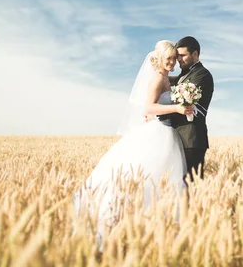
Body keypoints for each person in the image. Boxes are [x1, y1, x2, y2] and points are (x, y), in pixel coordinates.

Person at [73, 40, 193, 247]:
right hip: (158, 132)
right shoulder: (157, 79)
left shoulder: (164, 77)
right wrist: (177, 109)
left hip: (165, 132)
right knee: (151, 175)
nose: (173, 63)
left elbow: (176, 81)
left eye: (174, 58)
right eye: (169, 59)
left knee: (165, 177)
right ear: (158, 60)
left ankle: (158, 224)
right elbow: (148, 108)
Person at [163, 36, 214, 182]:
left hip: (191, 139)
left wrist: (160, 113)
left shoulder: (202, 75)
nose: (178, 59)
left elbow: (196, 109)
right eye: (177, 56)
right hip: (179, 137)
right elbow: (169, 80)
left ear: (195, 54)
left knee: (191, 185)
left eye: (183, 55)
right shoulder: (184, 73)